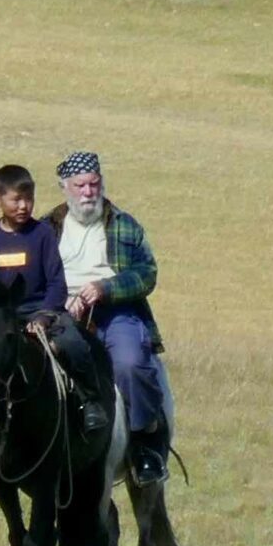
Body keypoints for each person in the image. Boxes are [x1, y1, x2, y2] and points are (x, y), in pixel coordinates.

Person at [0, 163, 108, 443]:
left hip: (42, 311)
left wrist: (44, 317)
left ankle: (90, 402)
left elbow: (57, 282)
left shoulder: (42, 234)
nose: (23, 206)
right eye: (16, 199)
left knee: (73, 344)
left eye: (29, 199)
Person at [53, 151, 175, 485]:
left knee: (131, 363)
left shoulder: (124, 224)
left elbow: (146, 273)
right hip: (62, 314)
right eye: (80, 186)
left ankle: (144, 445)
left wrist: (106, 287)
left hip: (115, 311)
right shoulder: (48, 228)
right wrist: (61, 301)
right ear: (64, 187)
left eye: (94, 184)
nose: (88, 193)